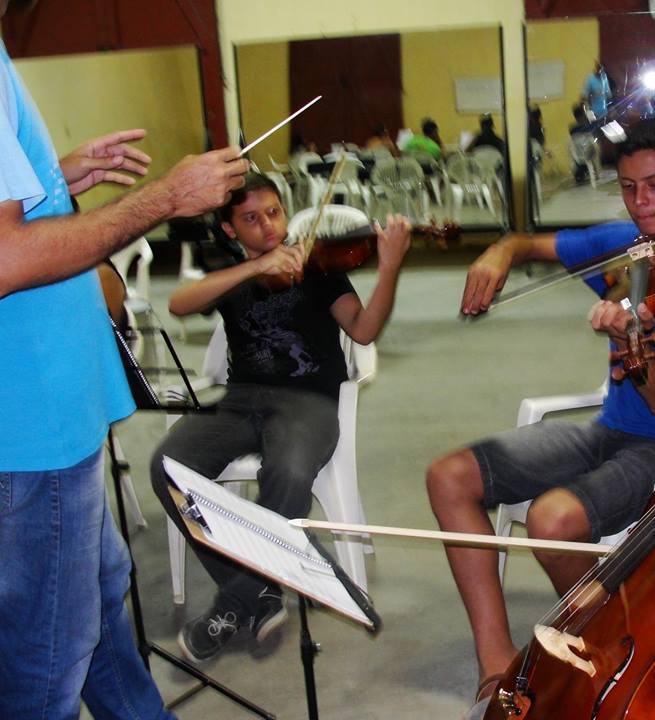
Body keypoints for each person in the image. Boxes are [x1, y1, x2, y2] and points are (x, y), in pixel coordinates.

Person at [428, 118, 655, 716]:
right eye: (628, 187)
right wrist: (501, 250)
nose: (642, 203)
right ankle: (496, 662)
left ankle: (611, 646)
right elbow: (530, 243)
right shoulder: (625, 244)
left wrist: (631, 341)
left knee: (551, 520)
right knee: (449, 476)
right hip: (608, 431)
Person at [0, 8, 248, 719]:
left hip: (51, 413)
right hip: (33, 424)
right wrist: (166, 198)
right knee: (46, 663)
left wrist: (53, 179)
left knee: (102, 607)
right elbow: (5, 259)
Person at [150, 172, 411, 663]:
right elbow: (179, 304)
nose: (268, 225)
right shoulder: (230, 271)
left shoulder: (319, 267)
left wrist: (390, 267)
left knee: (288, 473)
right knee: (169, 466)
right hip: (240, 399)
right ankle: (262, 587)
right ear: (230, 230)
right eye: (251, 218)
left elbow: (363, 329)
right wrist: (254, 268)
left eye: (274, 212)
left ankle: (233, 603)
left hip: (308, 402)